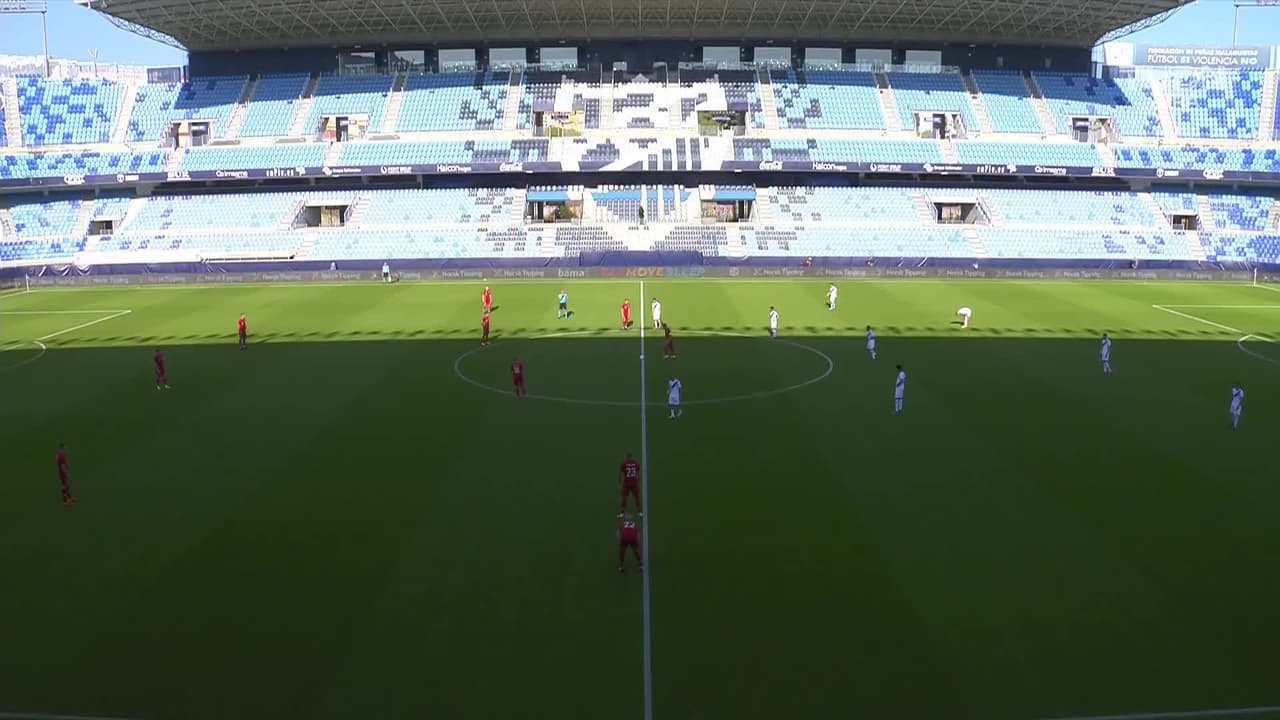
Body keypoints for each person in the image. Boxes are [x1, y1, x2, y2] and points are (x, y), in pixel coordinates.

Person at [619, 452, 642, 516]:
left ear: (627, 457)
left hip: (627, 483)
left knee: (624, 497)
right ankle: (639, 511)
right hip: (634, 482)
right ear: (632, 457)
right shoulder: (636, 463)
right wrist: (638, 480)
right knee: (637, 497)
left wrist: (620, 480)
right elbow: (638, 473)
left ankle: (622, 511)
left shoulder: (624, 463)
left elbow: (621, 473)